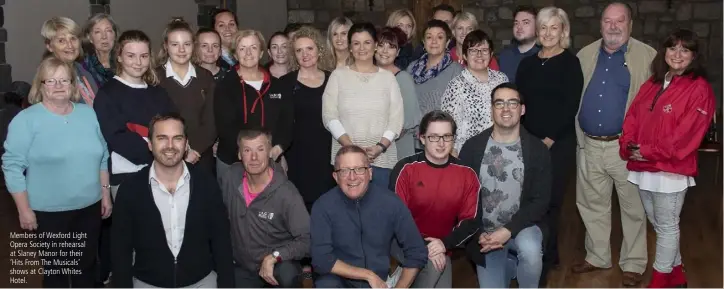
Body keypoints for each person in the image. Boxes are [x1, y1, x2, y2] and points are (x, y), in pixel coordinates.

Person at [3, 56, 111, 288]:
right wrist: (24, 210)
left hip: (89, 208)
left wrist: (105, 194)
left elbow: (102, 156)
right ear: (40, 86)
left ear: (73, 84)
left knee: (87, 268)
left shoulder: (88, 114)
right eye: (51, 81)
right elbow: (12, 167)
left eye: (64, 80)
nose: (59, 85)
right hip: (49, 212)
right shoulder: (26, 120)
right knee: (58, 274)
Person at [619, 28, 715, 288]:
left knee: (668, 226)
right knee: (660, 225)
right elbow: (633, 116)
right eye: (673, 48)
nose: (677, 54)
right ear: (664, 52)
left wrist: (647, 149)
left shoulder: (699, 88)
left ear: (694, 56)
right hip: (643, 165)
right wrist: (628, 145)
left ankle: (660, 279)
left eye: (685, 49)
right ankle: (677, 277)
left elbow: (686, 136)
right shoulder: (653, 83)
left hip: (671, 169)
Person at [572, 3, 656, 287]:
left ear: (630, 24)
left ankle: (633, 263)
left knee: (633, 208)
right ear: (600, 25)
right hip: (589, 145)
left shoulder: (648, 57)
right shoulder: (585, 54)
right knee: (591, 204)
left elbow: (656, 105)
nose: (613, 26)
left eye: (620, 21)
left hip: (626, 148)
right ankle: (597, 255)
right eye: (608, 21)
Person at [111, 113, 234, 288]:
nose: (170, 146)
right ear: (150, 144)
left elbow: (221, 241)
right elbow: (120, 251)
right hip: (148, 283)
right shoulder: (130, 189)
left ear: (186, 144)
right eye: (162, 138)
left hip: (201, 282)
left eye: (177, 138)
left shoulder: (206, 184)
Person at [458, 82, 551, 288]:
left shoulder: (537, 150)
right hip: (486, 233)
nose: (506, 109)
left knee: (531, 251)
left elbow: (541, 200)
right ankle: (509, 264)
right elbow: (462, 198)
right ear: (492, 109)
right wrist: (477, 231)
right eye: (499, 103)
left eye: (512, 103)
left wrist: (508, 230)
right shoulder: (472, 148)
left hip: (524, 225)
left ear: (522, 109)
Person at [515, 7, 583, 276]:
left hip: (559, 144)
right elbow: (520, 103)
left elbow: (570, 105)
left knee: (551, 201)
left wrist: (549, 139)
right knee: (528, 200)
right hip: (528, 143)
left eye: (554, 27)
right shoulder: (528, 64)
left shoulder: (570, 63)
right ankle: (529, 252)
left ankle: (548, 256)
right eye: (543, 27)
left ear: (563, 31)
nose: (548, 33)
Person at [311, 145, 428, 288]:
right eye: (344, 171)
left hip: (379, 282)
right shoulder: (322, 206)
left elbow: (416, 251)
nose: (352, 177)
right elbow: (321, 259)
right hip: (338, 279)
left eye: (359, 169)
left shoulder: (391, 202)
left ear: (370, 173)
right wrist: (367, 275)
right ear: (335, 177)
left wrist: (400, 287)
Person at [389, 110, 480, 288]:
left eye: (446, 136)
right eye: (433, 137)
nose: (441, 143)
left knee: (437, 270)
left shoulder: (467, 173)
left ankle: (401, 276)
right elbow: (396, 219)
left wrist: (443, 244)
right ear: (422, 138)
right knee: (432, 267)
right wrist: (425, 246)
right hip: (403, 241)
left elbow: (471, 221)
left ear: (453, 138)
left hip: (442, 245)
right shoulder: (406, 168)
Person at [220, 129, 310, 288]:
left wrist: (275, 256)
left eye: (260, 149)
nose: (254, 157)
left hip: (277, 265)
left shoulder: (287, 194)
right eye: (247, 150)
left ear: (270, 152)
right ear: (239, 155)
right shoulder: (229, 178)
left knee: (288, 275)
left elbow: (308, 240)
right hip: (243, 266)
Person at [322, 22, 404, 189]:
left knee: (380, 211)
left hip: (381, 161)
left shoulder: (388, 78)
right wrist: (351, 147)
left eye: (367, 42)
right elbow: (329, 116)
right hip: (347, 160)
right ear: (350, 47)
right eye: (356, 43)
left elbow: (396, 118)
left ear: (375, 45)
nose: (362, 48)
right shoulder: (337, 76)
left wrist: (381, 147)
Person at [214, 29, 293, 178]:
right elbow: (225, 129)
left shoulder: (277, 86)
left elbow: (286, 123)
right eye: (242, 49)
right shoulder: (225, 86)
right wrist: (250, 155)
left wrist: (276, 150)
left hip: (271, 159)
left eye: (253, 47)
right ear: (235, 54)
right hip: (233, 163)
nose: (248, 53)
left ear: (262, 52)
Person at [281, 26, 336, 212]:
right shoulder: (285, 83)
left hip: (328, 152)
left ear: (319, 50)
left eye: (309, 48)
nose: (305, 54)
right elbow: (278, 122)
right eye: (299, 50)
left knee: (329, 204)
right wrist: (280, 155)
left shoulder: (333, 80)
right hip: (297, 155)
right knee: (301, 207)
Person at [156, 18, 217, 173]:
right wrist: (178, 152)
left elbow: (212, 121)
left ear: (193, 46)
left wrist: (195, 150)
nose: (181, 50)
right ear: (166, 46)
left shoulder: (205, 77)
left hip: (201, 156)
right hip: (166, 157)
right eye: (175, 45)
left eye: (187, 44)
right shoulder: (155, 78)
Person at [441, 30, 508, 156]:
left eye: (484, 50)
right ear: (465, 55)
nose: (479, 55)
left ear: (491, 54)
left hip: (501, 150)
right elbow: (447, 125)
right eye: (473, 50)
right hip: (468, 153)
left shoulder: (501, 79)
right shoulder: (456, 86)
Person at [374, 27, 421, 159]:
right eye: (381, 45)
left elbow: (406, 123)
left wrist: (381, 144)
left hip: (397, 149)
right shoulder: (368, 77)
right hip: (372, 149)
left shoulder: (403, 78)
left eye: (391, 47)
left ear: (398, 52)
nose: (385, 51)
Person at [407, 20, 463, 117]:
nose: (434, 41)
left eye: (440, 37)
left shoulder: (456, 70)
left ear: (447, 42)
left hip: (440, 128)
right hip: (411, 129)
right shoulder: (412, 67)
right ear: (424, 42)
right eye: (429, 37)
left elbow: (458, 110)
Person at [42, 17, 99, 106]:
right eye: (61, 41)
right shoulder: (50, 77)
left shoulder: (81, 69)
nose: (70, 45)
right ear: (49, 46)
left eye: (73, 38)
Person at [498, 6, 540, 83]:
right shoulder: (505, 55)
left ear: (537, 27)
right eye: (516, 23)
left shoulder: (544, 56)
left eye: (525, 22)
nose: (519, 27)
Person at [82, 13, 118, 86]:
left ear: (114, 35)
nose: (104, 36)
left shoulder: (126, 63)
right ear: (90, 38)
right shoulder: (83, 67)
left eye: (108, 31)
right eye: (97, 32)